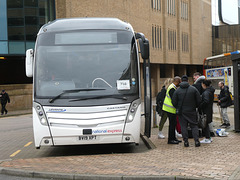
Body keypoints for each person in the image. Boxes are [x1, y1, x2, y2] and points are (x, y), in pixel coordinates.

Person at [172, 75, 201, 147]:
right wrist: (195, 106)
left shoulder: (177, 91)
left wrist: (178, 107)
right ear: (188, 81)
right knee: (194, 126)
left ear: (181, 81)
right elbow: (199, 100)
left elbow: (174, 102)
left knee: (183, 127)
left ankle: (186, 142)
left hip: (182, 112)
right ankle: (196, 141)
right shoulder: (193, 89)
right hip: (192, 111)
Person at [162, 76, 182, 144]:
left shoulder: (172, 87)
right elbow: (174, 100)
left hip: (170, 109)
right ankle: (171, 139)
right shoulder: (172, 88)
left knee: (173, 124)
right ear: (177, 82)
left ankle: (173, 138)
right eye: (180, 82)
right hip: (170, 109)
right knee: (172, 124)